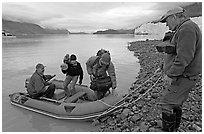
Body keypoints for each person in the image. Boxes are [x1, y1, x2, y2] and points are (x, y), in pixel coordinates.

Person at [156, 7, 202, 131]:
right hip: (182, 75)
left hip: (184, 76)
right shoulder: (183, 28)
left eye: (167, 21)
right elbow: (176, 52)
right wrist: (165, 66)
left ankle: (170, 130)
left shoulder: (187, 28)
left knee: (166, 104)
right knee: (175, 103)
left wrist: (170, 74)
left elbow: (184, 57)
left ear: (175, 17)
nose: (166, 24)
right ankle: (174, 129)